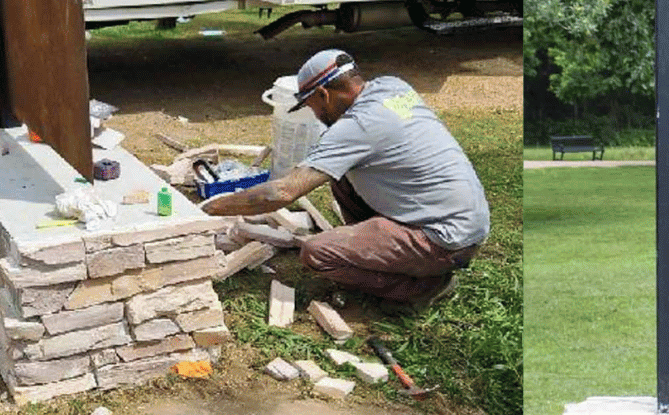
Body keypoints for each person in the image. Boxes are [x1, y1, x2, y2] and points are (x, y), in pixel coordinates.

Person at [201, 50, 490, 309]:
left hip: (444, 240)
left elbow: (281, 193)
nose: (313, 113)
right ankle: (378, 255)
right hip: (464, 219)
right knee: (341, 177)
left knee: (318, 253)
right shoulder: (392, 87)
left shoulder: (357, 127)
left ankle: (424, 287)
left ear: (324, 95)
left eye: (310, 105)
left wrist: (212, 208)